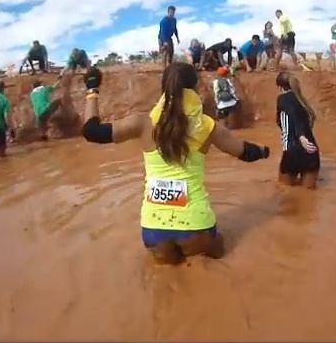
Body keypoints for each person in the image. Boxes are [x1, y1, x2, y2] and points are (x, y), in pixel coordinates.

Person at [81, 62, 270, 264]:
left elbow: (92, 132)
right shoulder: (207, 126)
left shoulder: (141, 123)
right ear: (195, 88)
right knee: (217, 257)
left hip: (154, 231)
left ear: (164, 88)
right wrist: (263, 151)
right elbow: (245, 152)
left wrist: (92, 89)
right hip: (197, 227)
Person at [275, 72, 319, 189]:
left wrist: (300, 136)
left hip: (292, 151)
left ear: (280, 87)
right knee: (309, 195)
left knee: (284, 191)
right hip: (311, 150)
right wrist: (303, 137)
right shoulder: (302, 101)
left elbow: (293, 115)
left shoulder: (283, 99)